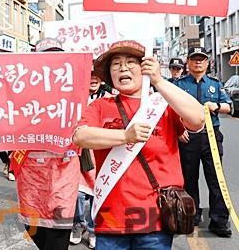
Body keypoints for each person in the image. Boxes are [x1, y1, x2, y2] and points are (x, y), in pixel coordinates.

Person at [73, 40, 204, 250]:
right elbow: (80, 136)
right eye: (116, 64)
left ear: (144, 67)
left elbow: (198, 118)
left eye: (130, 62)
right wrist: (125, 136)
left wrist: (159, 80)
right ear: (110, 73)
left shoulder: (163, 104)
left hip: (156, 220)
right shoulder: (100, 105)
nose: (122, 67)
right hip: (110, 219)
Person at [12, 38, 80, 250]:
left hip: (63, 173)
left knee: (58, 235)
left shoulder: (76, 92)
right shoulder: (20, 93)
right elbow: (6, 128)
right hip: (31, 174)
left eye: (56, 56)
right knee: (34, 229)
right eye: (45, 56)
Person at [172, 47, 233, 237]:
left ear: (207, 63)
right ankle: (191, 216)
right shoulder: (180, 85)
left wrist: (215, 106)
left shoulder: (214, 84)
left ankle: (219, 221)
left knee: (216, 180)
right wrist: (178, 130)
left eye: (202, 59)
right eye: (194, 59)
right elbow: (169, 110)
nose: (198, 62)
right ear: (188, 63)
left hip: (211, 136)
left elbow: (229, 107)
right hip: (188, 137)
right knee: (189, 179)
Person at [70, 70, 107, 248]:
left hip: (101, 152)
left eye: (96, 76)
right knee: (77, 193)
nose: (93, 79)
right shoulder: (74, 97)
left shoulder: (109, 97)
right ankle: (78, 224)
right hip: (78, 151)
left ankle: (93, 229)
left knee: (97, 194)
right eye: (89, 75)